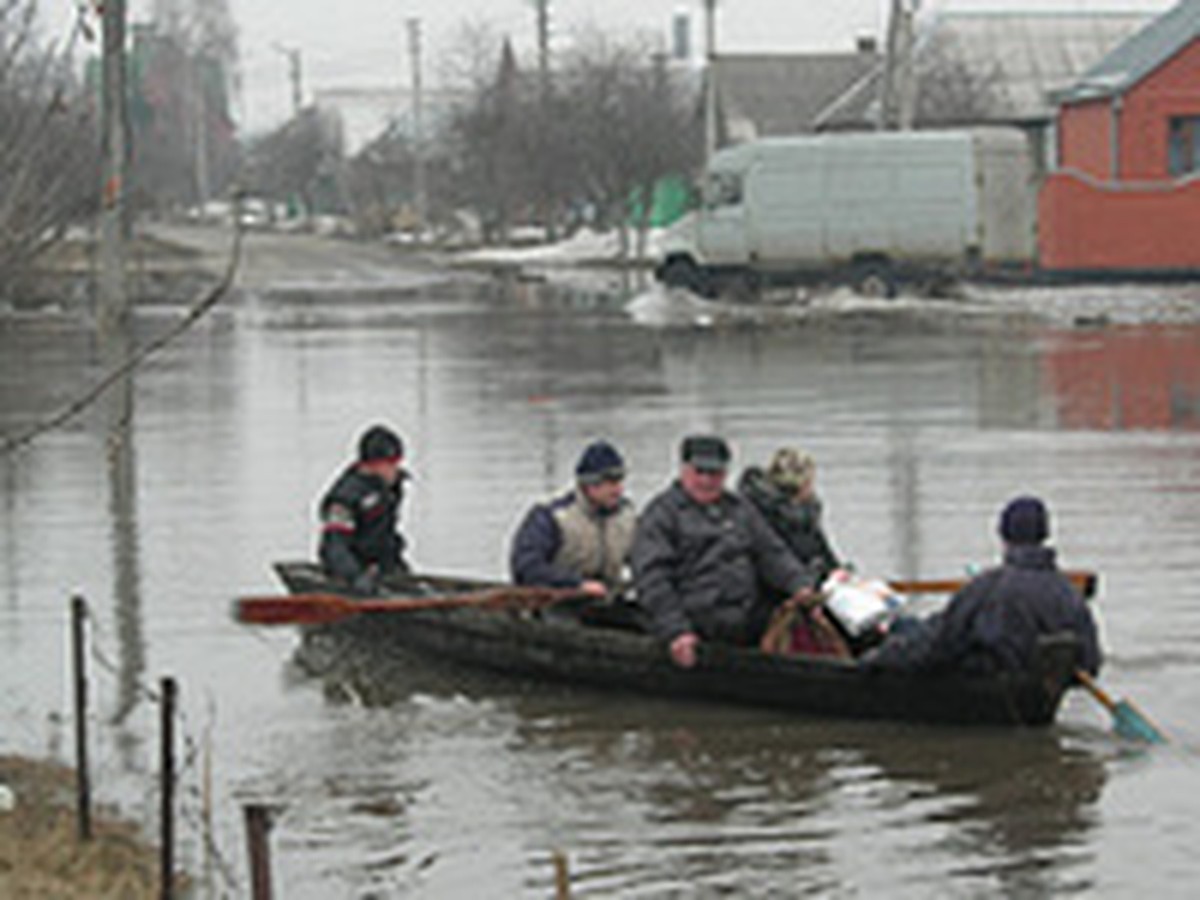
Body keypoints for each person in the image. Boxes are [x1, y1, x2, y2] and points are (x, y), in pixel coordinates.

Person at [631, 434, 821, 668]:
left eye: (715, 474)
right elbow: (653, 579)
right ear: (684, 470)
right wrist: (676, 631)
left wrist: (799, 585)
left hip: (745, 614)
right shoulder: (662, 516)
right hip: (698, 620)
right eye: (699, 472)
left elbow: (772, 552)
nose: (707, 480)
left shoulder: (740, 509)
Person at [862, 495, 1102, 676]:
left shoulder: (986, 588)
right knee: (911, 627)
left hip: (987, 677)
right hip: (1028, 679)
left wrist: (878, 658)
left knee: (904, 628)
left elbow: (939, 645)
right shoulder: (1069, 594)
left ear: (1003, 536)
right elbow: (1091, 662)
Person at [509, 440, 637, 598]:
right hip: (556, 606)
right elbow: (526, 568)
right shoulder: (552, 517)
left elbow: (646, 561)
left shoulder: (627, 516)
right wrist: (577, 584)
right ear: (591, 485)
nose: (619, 490)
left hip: (608, 603)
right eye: (611, 483)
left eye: (620, 481)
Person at [318, 424, 410, 594]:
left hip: (385, 569)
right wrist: (355, 576)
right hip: (354, 574)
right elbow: (334, 545)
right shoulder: (344, 498)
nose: (395, 470)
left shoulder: (390, 489)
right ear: (372, 465)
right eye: (390, 464)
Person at [738, 446, 841, 582]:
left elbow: (821, 547)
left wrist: (837, 570)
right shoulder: (762, 516)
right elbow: (775, 560)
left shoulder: (807, 512)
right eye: (809, 482)